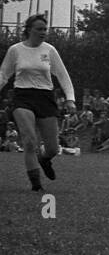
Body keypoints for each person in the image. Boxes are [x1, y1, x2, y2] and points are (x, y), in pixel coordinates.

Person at [0, 15, 76, 191]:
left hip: (45, 97)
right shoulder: (15, 50)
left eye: (44, 29)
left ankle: (44, 159)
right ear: (29, 30)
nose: (43, 32)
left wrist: (70, 98)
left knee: (52, 149)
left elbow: (63, 76)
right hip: (23, 97)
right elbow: (3, 75)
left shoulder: (49, 50)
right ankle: (36, 185)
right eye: (39, 29)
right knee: (29, 140)